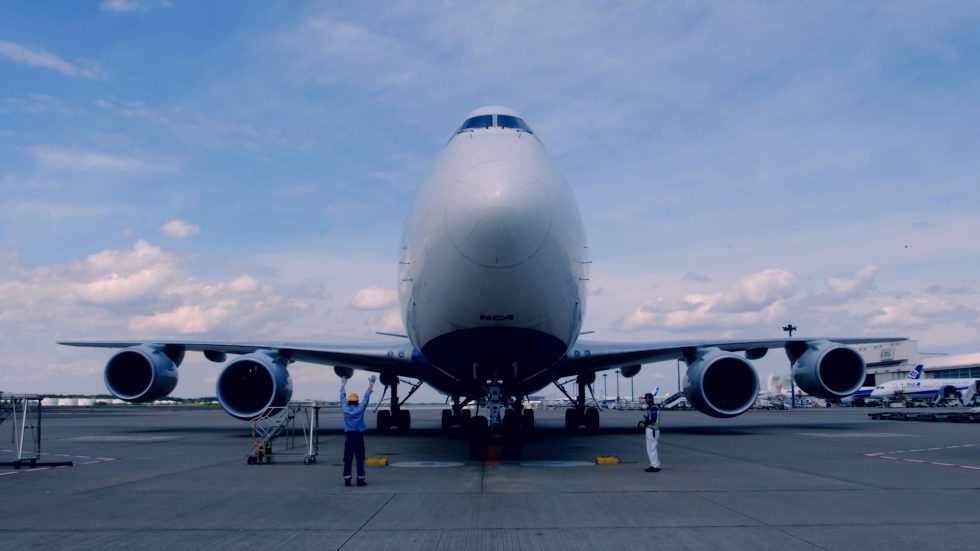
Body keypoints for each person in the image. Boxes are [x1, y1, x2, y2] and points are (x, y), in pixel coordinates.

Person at [341, 375, 375, 486]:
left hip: (349, 437)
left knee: (348, 459)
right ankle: (360, 479)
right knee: (360, 459)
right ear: (356, 401)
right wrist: (371, 384)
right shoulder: (360, 408)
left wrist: (343, 384)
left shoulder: (345, 409)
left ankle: (347, 479)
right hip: (359, 437)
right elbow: (366, 397)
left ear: (349, 401)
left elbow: (342, 397)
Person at [642, 392, 661, 472]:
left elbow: (653, 420)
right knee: (650, 448)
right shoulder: (651, 408)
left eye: (647, 399)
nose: (646, 400)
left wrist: (645, 422)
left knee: (652, 448)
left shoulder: (653, 408)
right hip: (651, 429)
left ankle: (655, 466)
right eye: (646, 399)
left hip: (652, 430)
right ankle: (654, 464)